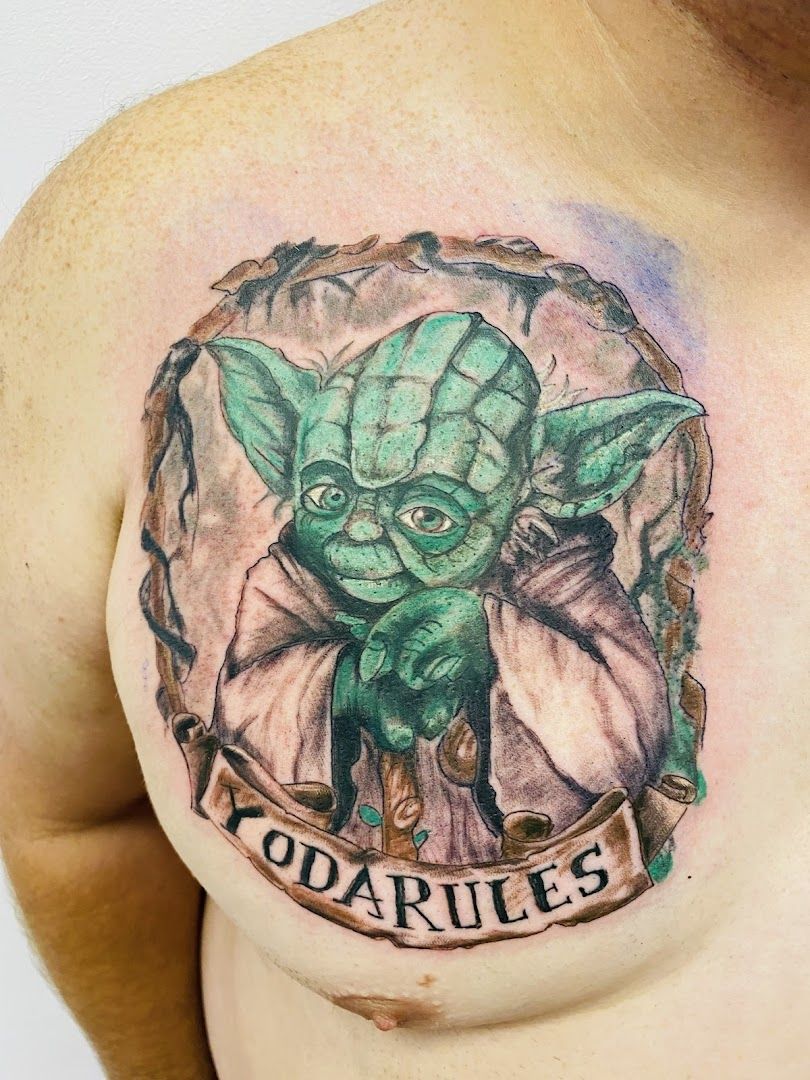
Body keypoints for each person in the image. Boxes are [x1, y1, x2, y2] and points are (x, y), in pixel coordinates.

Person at [0, 1, 807, 1077]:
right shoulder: (148, 223)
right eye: (331, 497)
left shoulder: (558, 570)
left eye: (429, 515)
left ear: (548, 485)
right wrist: (340, 684)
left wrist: (496, 635)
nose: (365, 541)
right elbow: (72, 821)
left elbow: (621, 736)